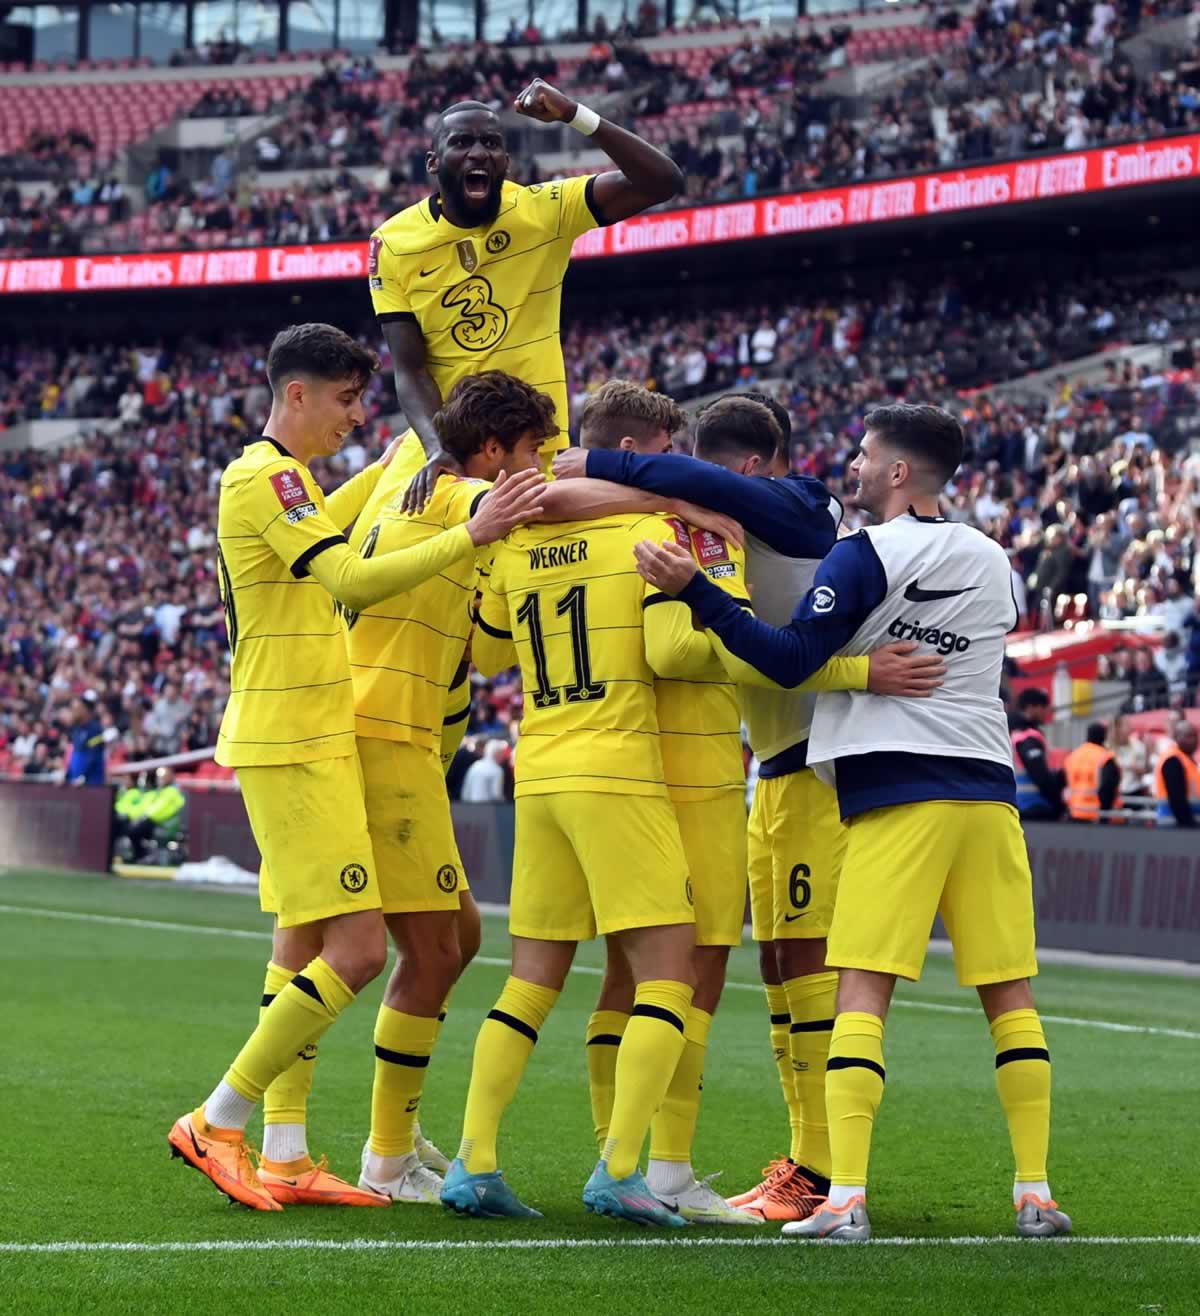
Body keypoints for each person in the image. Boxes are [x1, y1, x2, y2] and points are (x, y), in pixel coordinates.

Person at [634, 403, 1071, 1242]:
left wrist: (695, 591)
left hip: (894, 788)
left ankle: (842, 1195)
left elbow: (791, 658)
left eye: (867, 456)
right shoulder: (993, 557)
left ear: (899, 471)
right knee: (1010, 994)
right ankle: (1035, 1192)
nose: (855, 468)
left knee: (860, 988)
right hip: (988, 789)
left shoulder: (864, 552)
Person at [166, 322, 547, 1212]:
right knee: (361, 947)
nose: (355, 414)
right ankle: (219, 1120)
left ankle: (286, 1150)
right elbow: (348, 579)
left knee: (312, 939)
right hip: (291, 733)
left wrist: (406, 455)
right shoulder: (264, 477)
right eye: (344, 398)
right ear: (296, 393)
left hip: (319, 729)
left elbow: (358, 507)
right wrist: (474, 527)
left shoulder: (293, 482)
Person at [556, 392, 944, 1225]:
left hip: (821, 762)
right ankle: (798, 1163)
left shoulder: (803, 507)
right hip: (771, 767)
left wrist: (607, 463)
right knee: (775, 966)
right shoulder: (727, 519)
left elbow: (698, 493)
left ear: (751, 468)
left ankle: (820, 1168)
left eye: (707, 475)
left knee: (808, 963)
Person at [442, 499, 705, 1228]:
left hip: (541, 770)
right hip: (617, 768)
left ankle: (474, 1161)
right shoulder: (647, 531)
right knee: (669, 975)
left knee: (529, 981)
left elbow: (488, 656)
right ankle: (620, 1169)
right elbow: (671, 652)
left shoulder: (520, 542)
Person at [368, 83, 683, 509]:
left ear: (506, 161)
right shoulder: (392, 242)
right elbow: (410, 369)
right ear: (433, 162)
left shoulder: (544, 210)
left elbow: (662, 181)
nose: (478, 153)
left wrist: (574, 114)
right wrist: (437, 447)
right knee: (374, 542)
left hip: (532, 450)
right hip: (448, 446)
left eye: (491, 143)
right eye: (461, 142)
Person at [1009, 688, 1063, 821]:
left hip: (1020, 805)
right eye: (1043, 707)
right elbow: (1041, 775)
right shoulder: (1027, 738)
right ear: (1030, 707)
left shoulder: (1013, 732)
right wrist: (1059, 804)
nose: (1046, 711)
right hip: (1035, 806)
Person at [1063, 722, 1122, 822]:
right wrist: (1105, 813)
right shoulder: (1105, 757)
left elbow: (1063, 782)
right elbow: (1108, 787)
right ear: (1104, 737)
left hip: (1075, 812)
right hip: (1097, 814)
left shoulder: (1073, 756)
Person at [1154, 719, 1200, 827]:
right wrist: (1189, 823)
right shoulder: (1172, 760)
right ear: (1177, 737)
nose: (1193, 740)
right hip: (1173, 822)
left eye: (1195, 736)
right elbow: (1176, 797)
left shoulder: (1187, 759)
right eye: (1188, 736)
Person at [65, 694, 106, 785]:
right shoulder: (76, 729)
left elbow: (94, 754)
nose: (74, 712)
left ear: (85, 710)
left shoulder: (95, 730)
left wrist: (83, 777)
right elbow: (74, 756)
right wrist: (66, 776)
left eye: (76, 709)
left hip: (91, 782)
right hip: (75, 781)